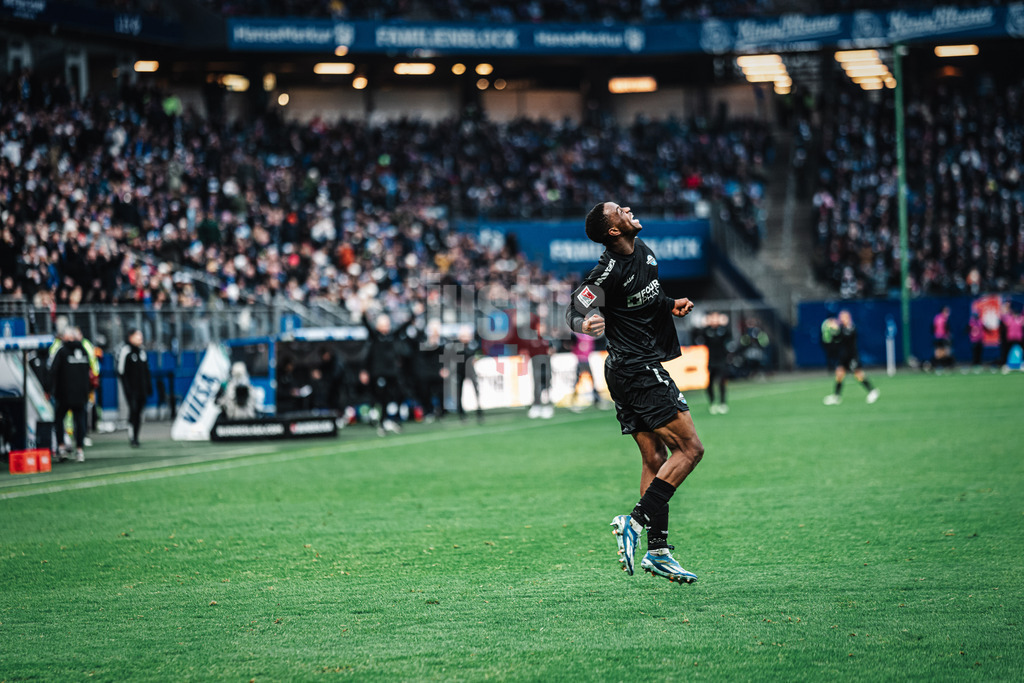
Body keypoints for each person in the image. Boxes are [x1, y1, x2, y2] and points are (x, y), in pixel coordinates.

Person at [566, 201, 702, 585]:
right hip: (637, 369)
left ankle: (657, 553)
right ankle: (635, 522)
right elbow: (575, 308)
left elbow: (644, 296)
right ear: (614, 230)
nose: (627, 208)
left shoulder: (643, 251)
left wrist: (670, 303)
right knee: (691, 450)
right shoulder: (605, 272)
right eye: (618, 210)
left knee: (654, 458)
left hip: (626, 371)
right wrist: (584, 322)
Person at [48, 328, 93, 462]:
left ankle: (62, 448)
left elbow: (53, 371)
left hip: (64, 394)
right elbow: (89, 372)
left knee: (59, 420)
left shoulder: (61, 351)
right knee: (80, 422)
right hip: (81, 394)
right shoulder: (84, 351)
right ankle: (79, 450)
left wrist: (50, 389)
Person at [823, 310, 880, 405]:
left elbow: (846, 337)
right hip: (843, 356)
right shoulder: (841, 328)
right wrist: (832, 330)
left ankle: (872, 391)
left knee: (858, 374)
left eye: (843, 317)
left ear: (848, 318)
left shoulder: (852, 328)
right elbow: (836, 339)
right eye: (840, 317)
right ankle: (836, 396)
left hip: (852, 356)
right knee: (839, 374)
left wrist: (836, 329)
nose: (841, 319)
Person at [117, 328, 152, 447]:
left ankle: (136, 436)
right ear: (130, 337)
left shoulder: (142, 352)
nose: (140, 339)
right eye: (138, 336)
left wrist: (148, 388)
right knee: (133, 411)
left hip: (141, 390)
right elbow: (121, 371)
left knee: (139, 413)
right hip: (131, 390)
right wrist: (127, 389)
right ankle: (132, 437)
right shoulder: (126, 350)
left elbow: (146, 372)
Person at [696, 311, 732, 414]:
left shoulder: (723, 330)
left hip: (722, 360)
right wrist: (703, 325)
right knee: (709, 383)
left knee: (722, 381)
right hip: (710, 361)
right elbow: (698, 339)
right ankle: (712, 403)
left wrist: (725, 324)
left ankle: (723, 403)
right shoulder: (706, 331)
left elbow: (729, 338)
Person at [929, 306, 954, 372]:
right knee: (944, 353)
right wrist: (948, 335)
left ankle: (939, 366)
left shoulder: (936, 317)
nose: (948, 313)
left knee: (939, 353)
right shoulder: (943, 319)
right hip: (942, 337)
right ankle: (942, 366)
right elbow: (946, 328)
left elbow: (932, 327)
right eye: (947, 311)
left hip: (937, 337)